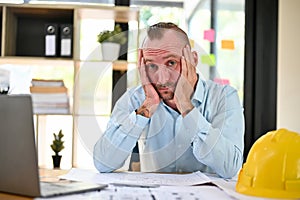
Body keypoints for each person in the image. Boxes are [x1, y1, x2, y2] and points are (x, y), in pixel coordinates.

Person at [93, 22, 245, 178]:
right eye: (151, 66)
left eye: (171, 63)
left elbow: (230, 168)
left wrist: (186, 107)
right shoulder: (136, 99)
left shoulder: (224, 97)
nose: (162, 79)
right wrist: (146, 108)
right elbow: (103, 163)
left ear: (192, 60)